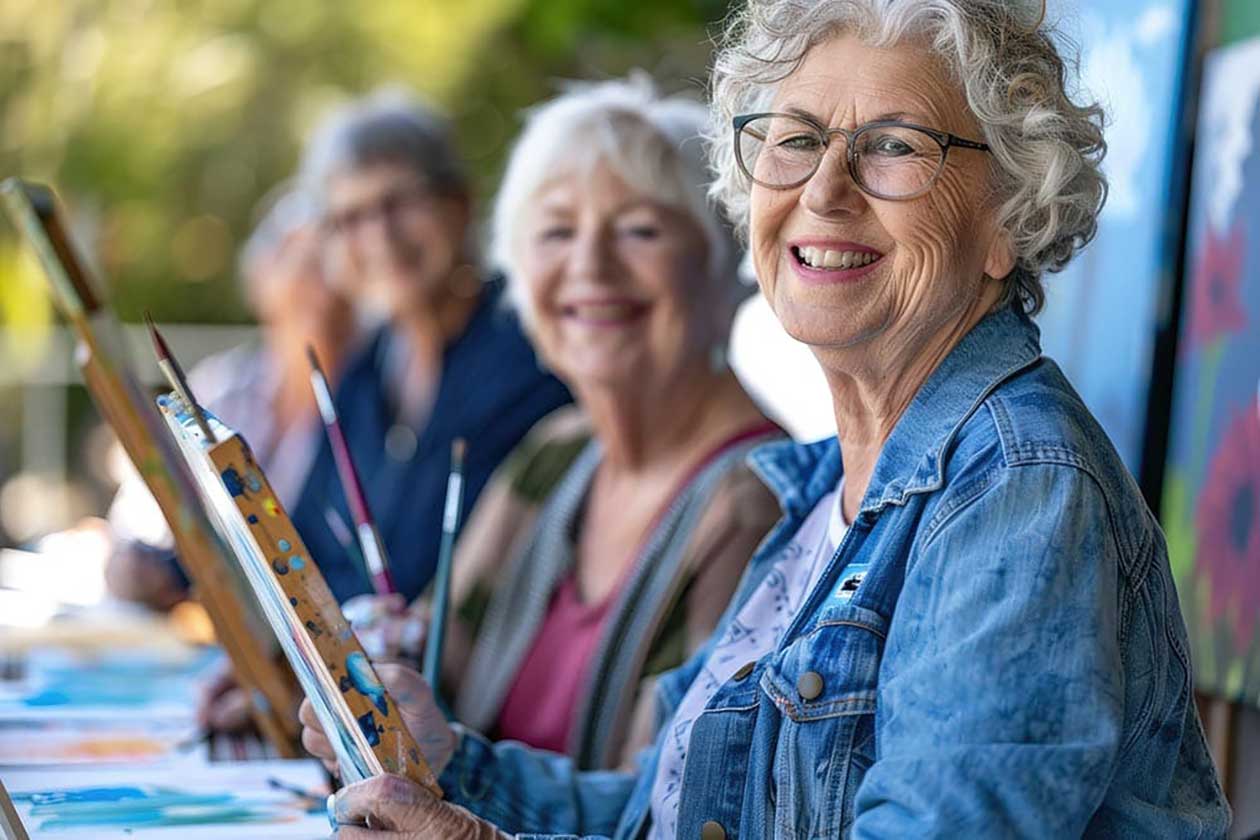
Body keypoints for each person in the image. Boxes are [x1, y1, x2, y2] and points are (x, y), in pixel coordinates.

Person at [301, 1, 1232, 837]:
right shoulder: (825, 489)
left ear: (1008, 219)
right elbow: (650, 812)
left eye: (896, 145)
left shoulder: (1016, 489)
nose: (824, 191)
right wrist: (448, 764)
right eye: (794, 140)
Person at [343, 77, 784, 771]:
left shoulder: (761, 496)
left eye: (640, 229)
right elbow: (431, 649)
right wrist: (323, 682)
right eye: (555, 231)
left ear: (723, 261)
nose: (589, 266)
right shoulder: (557, 452)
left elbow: (662, 794)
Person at [289, 89, 572, 603]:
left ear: (460, 205)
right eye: (349, 219)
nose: (380, 235)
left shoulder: (534, 348)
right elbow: (302, 535)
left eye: (399, 202)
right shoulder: (365, 368)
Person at [105, 188, 356, 611]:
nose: (318, 280)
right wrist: (137, 565)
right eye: (298, 257)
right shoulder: (223, 387)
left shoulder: (369, 405)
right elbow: (139, 518)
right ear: (260, 280)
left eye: (329, 260)